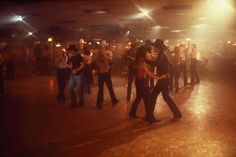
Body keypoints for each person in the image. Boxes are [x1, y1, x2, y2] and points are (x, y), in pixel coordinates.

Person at [150, 39, 182, 120]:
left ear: (158, 48)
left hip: (163, 79)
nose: (153, 49)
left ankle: (149, 115)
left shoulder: (161, 55)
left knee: (156, 95)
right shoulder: (162, 55)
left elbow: (155, 64)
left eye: (155, 47)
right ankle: (177, 113)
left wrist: (146, 60)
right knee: (164, 97)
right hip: (163, 78)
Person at [129, 46, 161, 123]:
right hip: (142, 82)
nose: (148, 54)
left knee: (139, 98)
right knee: (147, 100)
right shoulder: (142, 62)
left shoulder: (137, 60)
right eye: (146, 53)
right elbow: (148, 73)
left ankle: (132, 113)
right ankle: (150, 118)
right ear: (143, 54)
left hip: (139, 81)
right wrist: (158, 76)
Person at [95, 40, 118, 109]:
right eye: (102, 45)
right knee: (101, 88)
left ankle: (113, 100)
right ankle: (99, 103)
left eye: (104, 45)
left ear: (106, 46)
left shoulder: (108, 52)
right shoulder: (98, 53)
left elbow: (110, 62)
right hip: (102, 73)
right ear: (101, 45)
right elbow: (97, 62)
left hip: (106, 72)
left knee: (109, 87)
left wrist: (108, 58)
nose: (103, 46)